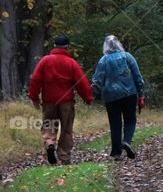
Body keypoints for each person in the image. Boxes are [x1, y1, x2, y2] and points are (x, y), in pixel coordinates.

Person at [28, 34, 93, 165]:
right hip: (66, 102)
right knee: (66, 129)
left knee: (49, 125)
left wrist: (34, 97)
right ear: (67, 47)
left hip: (49, 101)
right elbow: (82, 82)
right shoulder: (71, 63)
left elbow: (35, 79)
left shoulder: (45, 61)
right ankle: (64, 156)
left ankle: (50, 144)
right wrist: (88, 97)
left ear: (54, 46)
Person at [91, 35, 145, 160]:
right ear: (118, 44)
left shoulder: (103, 60)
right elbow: (138, 77)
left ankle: (116, 152)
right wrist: (141, 94)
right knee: (130, 120)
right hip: (129, 94)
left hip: (111, 97)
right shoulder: (127, 57)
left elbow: (97, 80)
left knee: (115, 123)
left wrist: (92, 95)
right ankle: (126, 141)